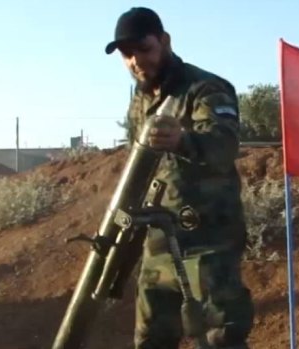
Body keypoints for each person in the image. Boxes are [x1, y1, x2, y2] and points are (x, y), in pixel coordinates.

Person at [105, 6, 255, 349]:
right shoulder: (140, 101)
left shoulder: (205, 89)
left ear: (164, 41)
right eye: (127, 55)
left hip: (208, 241)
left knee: (220, 338)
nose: (135, 61)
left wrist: (184, 141)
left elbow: (225, 145)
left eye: (144, 49)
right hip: (158, 241)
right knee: (152, 339)